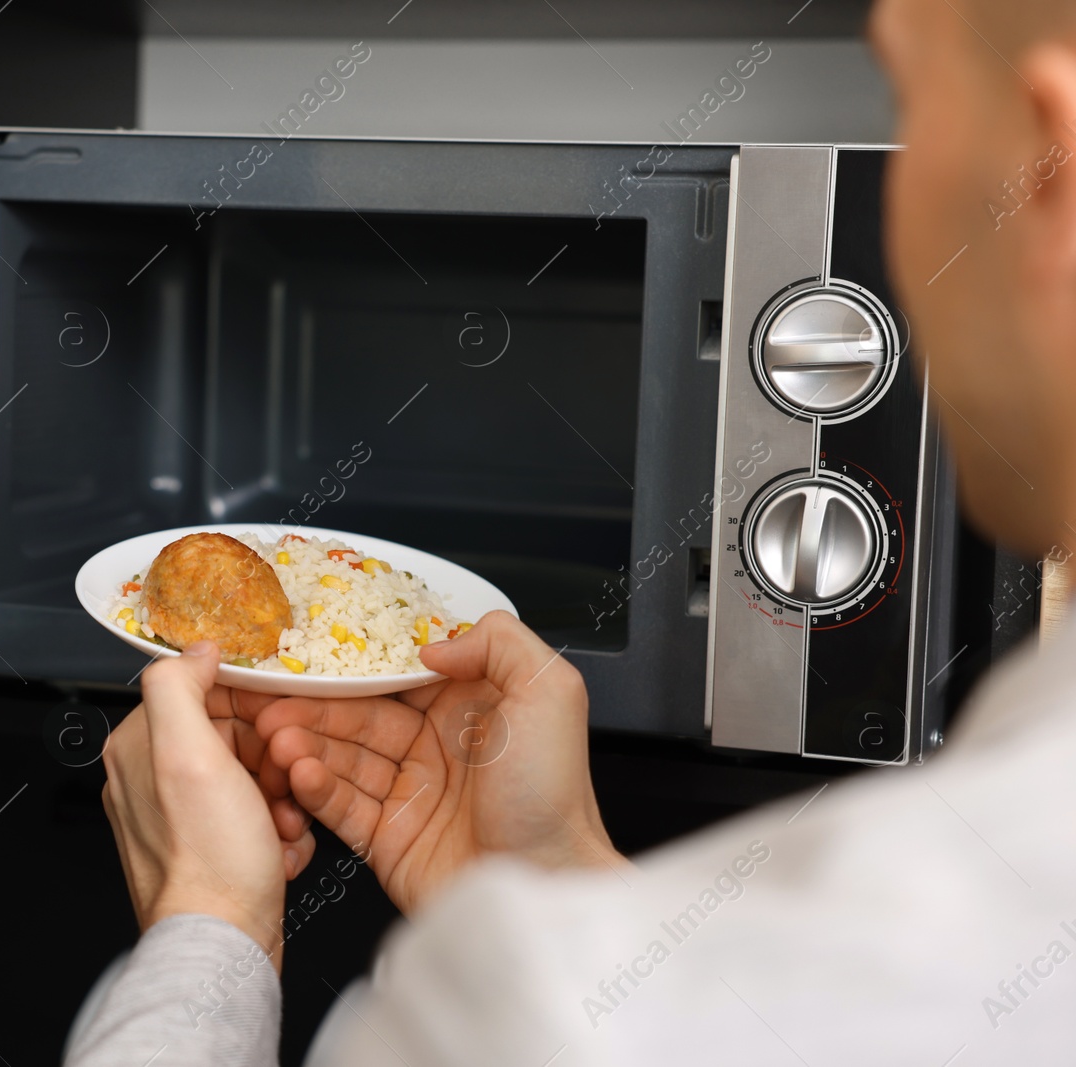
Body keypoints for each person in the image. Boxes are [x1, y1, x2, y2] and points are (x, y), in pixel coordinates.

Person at [65, 0, 1076, 1061]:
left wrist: (209, 922)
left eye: (908, 102)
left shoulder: (509, 1017)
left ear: (1050, 166)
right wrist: (555, 882)